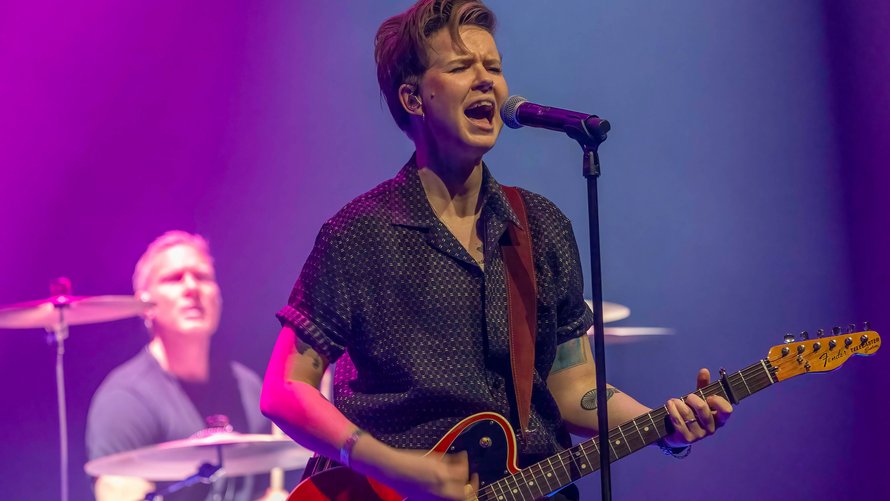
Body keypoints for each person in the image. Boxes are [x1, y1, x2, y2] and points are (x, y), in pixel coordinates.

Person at [260, 1, 733, 500]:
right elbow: (285, 390)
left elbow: (573, 387)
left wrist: (664, 426)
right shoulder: (360, 234)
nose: (486, 80)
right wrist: (394, 467)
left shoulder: (541, 227)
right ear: (413, 98)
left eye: (494, 67)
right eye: (461, 67)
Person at [86, 231, 287, 501]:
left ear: (218, 296)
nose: (192, 288)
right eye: (174, 278)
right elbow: (117, 493)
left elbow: (262, 490)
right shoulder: (124, 399)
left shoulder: (247, 388)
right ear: (145, 305)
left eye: (203, 277)